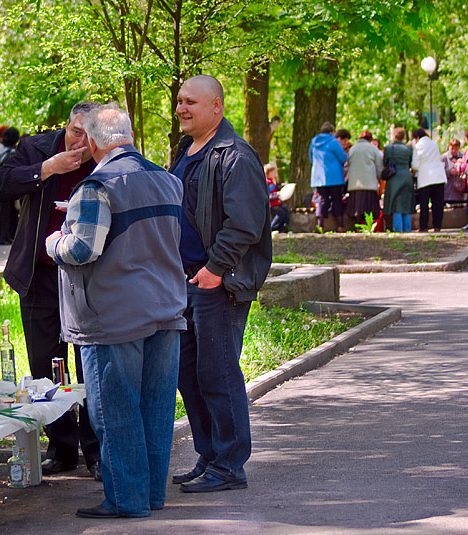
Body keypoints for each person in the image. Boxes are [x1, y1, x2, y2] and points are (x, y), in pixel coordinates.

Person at [45, 104, 186, 518]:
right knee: (156, 410)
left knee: (116, 412)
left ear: (91, 141)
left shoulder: (96, 186)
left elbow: (82, 249)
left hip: (113, 315)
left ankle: (126, 500)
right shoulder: (167, 179)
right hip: (166, 308)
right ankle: (151, 495)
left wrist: (56, 239)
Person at [169, 75, 271, 493]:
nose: (181, 108)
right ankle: (211, 454)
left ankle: (230, 465)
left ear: (217, 107)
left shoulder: (235, 155)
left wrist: (214, 269)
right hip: (184, 283)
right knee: (188, 373)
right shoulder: (186, 150)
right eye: (179, 101)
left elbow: (245, 223)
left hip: (218, 283)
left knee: (218, 372)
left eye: (191, 101)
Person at [0, 102, 102, 479]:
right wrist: (46, 169)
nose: (80, 142)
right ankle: (61, 447)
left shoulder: (109, 156)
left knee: (89, 365)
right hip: (40, 274)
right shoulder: (37, 149)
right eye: (74, 131)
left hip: (89, 278)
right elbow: (1, 184)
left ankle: (97, 450)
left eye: (89, 136)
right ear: (66, 126)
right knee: (45, 364)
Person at [310, 122, 348, 231]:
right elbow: (343, 157)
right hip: (334, 176)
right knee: (337, 200)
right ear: (332, 132)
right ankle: (340, 225)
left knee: (322, 200)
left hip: (318, 177)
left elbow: (311, 157)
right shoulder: (333, 141)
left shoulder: (314, 141)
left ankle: (320, 225)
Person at [411, 129, 447, 232]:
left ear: (417, 138)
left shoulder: (418, 146)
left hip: (425, 177)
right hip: (439, 176)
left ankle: (423, 226)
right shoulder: (434, 144)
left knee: (424, 204)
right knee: (438, 203)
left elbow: (415, 165)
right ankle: (437, 226)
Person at [0, 127, 21, 245]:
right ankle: (3, 237)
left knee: (6, 213)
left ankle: (5, 237)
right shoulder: (13, 153)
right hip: (8, 186)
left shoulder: (3, 154)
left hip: (1, 184)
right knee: (7, 213)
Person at [346, 131, 382, 223]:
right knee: (369, 210)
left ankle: (357, 225)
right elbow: (379, 166)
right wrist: (379, 177)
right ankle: (368, 226)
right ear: (370, 139)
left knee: (357, 209)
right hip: (369, 184)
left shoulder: (353, 149)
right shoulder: (373, 149)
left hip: (354, 185)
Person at [383, 128, 414, 232]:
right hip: (406, 176)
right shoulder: (409, 149)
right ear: (404, 137)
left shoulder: (388, 148)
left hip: (394, 178)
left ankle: (398, 229)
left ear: (394, 136)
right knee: (406, 203)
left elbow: (386, 162)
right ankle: (407, 229)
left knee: (396, 205)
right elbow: (410, 163)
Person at [265, 163, 290, 233]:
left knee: (286, 210)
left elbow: (279, 189)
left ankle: (283, 228)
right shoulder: (267, 182)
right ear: (269, 172)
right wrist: (276, 195)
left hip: (276, 203)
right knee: (280, 213)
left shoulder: (273, 182)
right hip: (271, 204)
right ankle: (273, 228)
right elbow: (267, 195)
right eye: (274, 172)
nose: (275, 174)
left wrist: (278, 181)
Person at [441, 138, 465, 205]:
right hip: (448, 188)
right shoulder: (443, 157)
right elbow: (440, 172)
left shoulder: (462, 157)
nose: (454, 151)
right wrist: (449, 171)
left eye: (456, 149)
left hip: (459, 188)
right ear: (449, 147)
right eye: (452, 148)